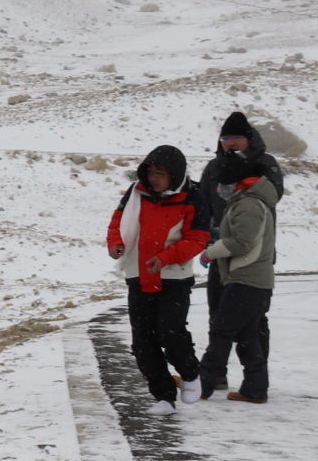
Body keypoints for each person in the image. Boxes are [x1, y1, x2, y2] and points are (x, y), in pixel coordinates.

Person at [106, 145, 210, 413]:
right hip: (138, 274)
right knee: (142, 342)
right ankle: (164, 397)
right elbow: (118, 221)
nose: (153, 178)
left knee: (171, 334)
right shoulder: (136, 192)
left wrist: (165, 258)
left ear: (174, 175)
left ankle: (189, 372)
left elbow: (198, 238)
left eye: (160, 174)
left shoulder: (194, 195)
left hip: (173, 278)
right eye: (151, 172)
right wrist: (116, 243)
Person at [198, 111, 285, 390]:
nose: (230, 143)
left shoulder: (264, 164)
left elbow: (274, 195)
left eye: (236, 138)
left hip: (254, 254)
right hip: (219, 252)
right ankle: (219, 375)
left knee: (254, 319)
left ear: (249, 139)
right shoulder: (213, 167)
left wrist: (243, 169)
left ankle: (256, 376)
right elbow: (203, 203)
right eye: (225, 138)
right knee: (218, 313)